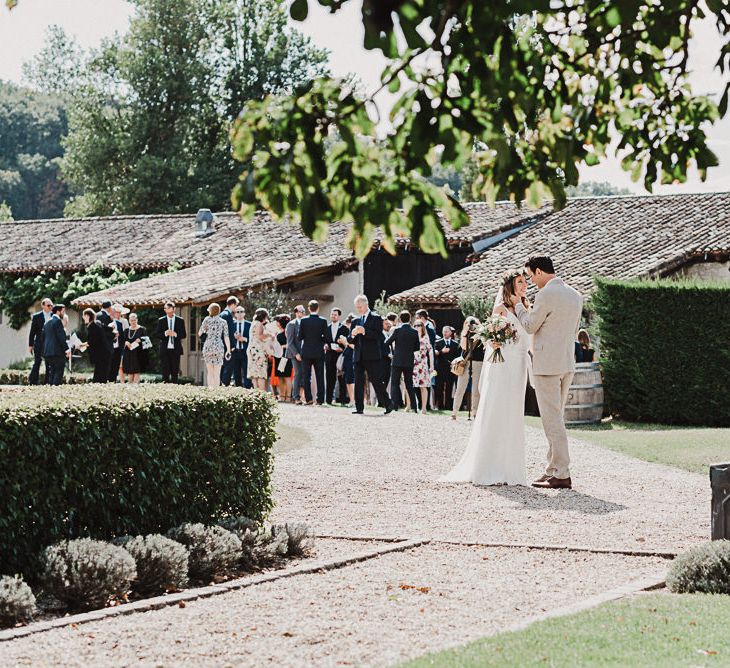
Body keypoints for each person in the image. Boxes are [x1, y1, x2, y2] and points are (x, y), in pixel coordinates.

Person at [443, 270, 532, 486]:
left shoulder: (527, 308)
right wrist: (492, 343)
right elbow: (491, 336)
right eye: (520, 282)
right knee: (496, 409)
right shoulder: (500, 309)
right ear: (510, 285)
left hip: (519, 364)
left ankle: (511, 469)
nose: (524, 286)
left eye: (525, 282)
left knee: (513, 412)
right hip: (502, 364)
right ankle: (489, 466)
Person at [512, 255, 583, 489]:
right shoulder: (575, 295)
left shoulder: (546, 294)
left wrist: (520, 307)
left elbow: (531, 325)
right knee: (556, 418)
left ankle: (562, 473)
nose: (531, 281)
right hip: (566, 363)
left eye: (531, 276)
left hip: (547, 365)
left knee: (552, 421)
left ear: (539, 271)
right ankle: (552, 468)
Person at [349, 294, 392, 415]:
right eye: (357, 307)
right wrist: (352, 335)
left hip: (372, 356)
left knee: (377, 381)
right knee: (358, 382)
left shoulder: (376, 318)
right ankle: (359, 408)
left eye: (360, 307)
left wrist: (364, 331)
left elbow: (379, 336)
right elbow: (349, 340)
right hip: (358, 356)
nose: (358, 309)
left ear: (366, 304)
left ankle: (388, 404)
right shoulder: (355, 321)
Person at [451, 316, 485, 420]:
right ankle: (454, 412)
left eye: (473, 324)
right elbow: (464, 347)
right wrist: (465, 333)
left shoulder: (482, 334)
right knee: (460, 387)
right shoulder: (465, 334)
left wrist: (480, 332)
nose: (471, 326)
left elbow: (484, 346)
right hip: (465, 363)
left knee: (476, 390)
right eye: (469, 324)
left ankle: (475, 413)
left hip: (478, 362)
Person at [388, 310, 419, 411]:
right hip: (409, 360)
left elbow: (387, 342)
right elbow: (417, 347)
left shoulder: (397, 330)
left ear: (400, 319)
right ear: (410, 319)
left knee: (394, 383)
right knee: (409, 384)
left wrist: (393, 351)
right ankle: (414, 407)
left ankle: (394, 405)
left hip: (397, 360)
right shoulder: (414, 332)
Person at [299, 300, 328, 405]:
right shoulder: (323, 321)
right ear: (318, 308)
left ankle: (309, 399)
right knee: (320, 376)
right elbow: (327, 337)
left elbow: (300, 337)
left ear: (308, 308)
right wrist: (320, 339)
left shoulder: (303, 321)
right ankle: (320, 400)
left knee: (306, 376)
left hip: (306, 351)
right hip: (319, 351)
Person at [199, 303, 231, 388]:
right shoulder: (223, 322)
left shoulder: (206, 320)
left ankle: (210, 391)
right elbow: (226, 336)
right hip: (219, 346)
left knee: (210, 372)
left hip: (208, 345)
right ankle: (216, 392)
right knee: (217, 372)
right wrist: (228, 349)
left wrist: (206, 330)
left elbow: (199, 333)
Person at [157, 301, 186, 383]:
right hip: (164, 349)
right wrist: (165, 333)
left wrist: (175, 334)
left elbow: (184, 335)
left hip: (176, 348)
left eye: (170, 309)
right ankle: (165, 388)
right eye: (166, 309)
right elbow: (157, 334)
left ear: (174, 309)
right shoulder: (161, 320)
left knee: (175, 370)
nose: (168, 311)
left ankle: (175, 387)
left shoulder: (180, 320)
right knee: (165, 371)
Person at [81, 308, 113, 383]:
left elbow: (92, 342)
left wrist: (80, 345)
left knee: (100, 377)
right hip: (102, 354)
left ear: (87, 316)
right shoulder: (94, 324)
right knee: (100, 374)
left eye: (84, 315)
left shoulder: (93, 326)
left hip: (102, 354)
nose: (83, 317)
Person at [324, 307, 348, 405]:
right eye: (332, 314)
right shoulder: (327, 328)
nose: (333, 316)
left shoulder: (344, 328)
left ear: (339, 316)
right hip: (329, 355)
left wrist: (342, 349)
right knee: (329, 377)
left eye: (335, 314)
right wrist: (325, 345)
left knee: (342, 378)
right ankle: (329, 400)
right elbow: (324, 340)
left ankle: (343, 400)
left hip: (340, 355)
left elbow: (347, 342)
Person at [42, 304, 70, 386]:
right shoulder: (57, 321)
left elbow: (43, 337)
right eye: (63, 311)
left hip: (48, 352)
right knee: (59, 372)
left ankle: (51, 389)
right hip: (57, 352)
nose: (63, 314)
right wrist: (67, 349)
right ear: (58, 311)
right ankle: (55, 390)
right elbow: (61, 337)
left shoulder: (47, 322)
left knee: (52, 373)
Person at [434, 326, 461, 410]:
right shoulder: (437, 342)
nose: (445, 333)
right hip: (440, 368)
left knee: (450, 388)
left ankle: (448, 406)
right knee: (439, 388)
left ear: (450, 333)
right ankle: (440, 406)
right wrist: (442, 351)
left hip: (451, 369)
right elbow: (435, 354)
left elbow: (458, 357)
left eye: (446, 331)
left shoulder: (455, 344)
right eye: (443, 331)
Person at [248, 308, 274, 391]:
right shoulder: (259, 324)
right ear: (264, 316)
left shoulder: (253, 323)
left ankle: (256, 394)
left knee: (254, 373)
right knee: (261, 373)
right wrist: (269, 335)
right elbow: (260, 336)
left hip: (252, 350)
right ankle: (262, 394)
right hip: (258, 351)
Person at [28, 297, 53, 385]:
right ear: (43, 306)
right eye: (48, 305)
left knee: (48, 364)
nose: (50, 307)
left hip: (49, 343)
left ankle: (47, 382)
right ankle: (33, 381)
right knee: (37, 362)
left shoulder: (54, 316)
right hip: (39, 343)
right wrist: (30, 345)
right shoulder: (37, 316)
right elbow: (32, 332)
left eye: (51, 305)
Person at [412, 320, 435, 414]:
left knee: (423, 386)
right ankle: (414, 406)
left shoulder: (425, 338)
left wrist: (432, 365)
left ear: (422, 327)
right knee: (412, 385)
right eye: (415, 325)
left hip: (423, 364)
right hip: (413, 363)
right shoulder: (412, 336)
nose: (417, 327)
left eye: (419, 325)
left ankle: (424, 407)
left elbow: (430, 351)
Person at [284, 305, 305, 404]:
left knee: (304, 375)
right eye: (298, 311)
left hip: (305, 353)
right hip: (294, 353)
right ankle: (295, 397)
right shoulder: (291, 324)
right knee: (298, 374)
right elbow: (290, 342)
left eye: (302, 311)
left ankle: (302, 396)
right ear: (295, 313)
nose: (300, 313)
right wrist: (296, 354)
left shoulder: (305, 323)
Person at [219, 296, 240, 386]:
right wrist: (231, 346)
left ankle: (220, 385)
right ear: (232, 304)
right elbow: (229, 332)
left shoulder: (222, 314)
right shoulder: (227, 315)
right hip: (227, 346)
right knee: (228, 368)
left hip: (221, 345)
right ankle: (224, 386)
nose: (236, 308)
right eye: (236, 305)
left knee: (223, 367)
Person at [337, 314, 356, 407]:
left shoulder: (356, 334)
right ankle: (351, 400)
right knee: (348, 380)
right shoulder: (349, 333)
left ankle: (354, 400)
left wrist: (346, 342)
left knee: (351, 379)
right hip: (347, 357)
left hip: (352, 357)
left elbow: (355, 347)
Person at [122, 312, 147, 383]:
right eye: (131, 320)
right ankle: (130, 388)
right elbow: (122, 340)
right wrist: (126, 342)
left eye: (134, 320)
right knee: (130, 372)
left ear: (137, 320)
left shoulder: (142, 329)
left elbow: (147, 340)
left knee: (137, 371)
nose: (133, 322)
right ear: (129, 321)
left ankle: (136, 387)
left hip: (138, 353)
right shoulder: (126, 330)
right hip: (129, 353)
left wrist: (140, 339)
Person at [230, 305, 251, 387]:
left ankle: (248, 390)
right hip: (235, 351)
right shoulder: (232, 324)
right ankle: (239, 390)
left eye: (241, 311)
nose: (239, 313)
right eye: (237, 312)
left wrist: (244, 339)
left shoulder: (249, 324)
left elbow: (253, 339)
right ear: (235, 314)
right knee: (236, 373)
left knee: (246, 372)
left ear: (244, 313)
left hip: (245, 351)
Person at [95, 300, 117, 381]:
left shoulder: (97, 315)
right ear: (109, 308)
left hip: (98, 346)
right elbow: (104, 332)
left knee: (98, 368)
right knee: (104, 369)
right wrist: (114, 334)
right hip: (106, 347)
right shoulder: (105, 317)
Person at [273, 314, 293, 401]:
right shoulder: (278, 333)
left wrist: (282, 346)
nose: (276, 323)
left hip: (286, 356)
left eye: (277, 321)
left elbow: (290, 344)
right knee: (280, 377)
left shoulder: (287, 332)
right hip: (278, 357)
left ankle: (288, 397)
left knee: (287, 377)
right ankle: (282, 396)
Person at [111, 303, 129, 383]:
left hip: (122, 345)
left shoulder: (124, 321)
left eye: (119, 312)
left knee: (121, 365)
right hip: (113, 345)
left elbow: (127, 333)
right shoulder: (111, 321)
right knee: (114, 364)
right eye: (116, 312)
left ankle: (122, 382)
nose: (117, 313)